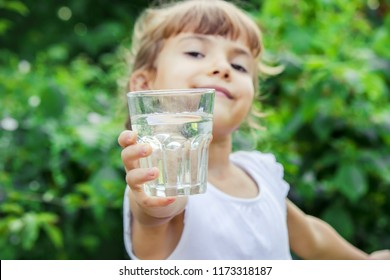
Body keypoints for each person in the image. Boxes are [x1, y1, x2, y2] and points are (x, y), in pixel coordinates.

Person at [118, 0, 390, 260]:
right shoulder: (158, 183)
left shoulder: (260, 172)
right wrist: (156, 203)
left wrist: (366, 262)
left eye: (239, 65)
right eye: (195, 52)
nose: (223, 68)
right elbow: (159, 215)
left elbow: (311, 237)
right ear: (144, 85)